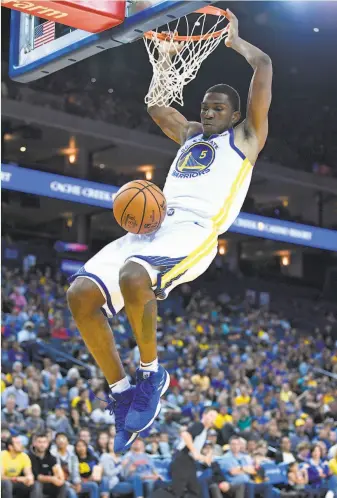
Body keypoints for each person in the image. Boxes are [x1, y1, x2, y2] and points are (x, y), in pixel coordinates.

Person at [67, 8, 272, 453]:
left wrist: (236, 43)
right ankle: (122, 394)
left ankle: (151, 372)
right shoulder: (192, 136)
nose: (210, 112)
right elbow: (159, 107)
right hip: (156, 223)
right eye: (206, 107)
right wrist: (163, 55)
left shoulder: (247, 138)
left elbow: (265, 67)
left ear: (237, 113)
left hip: (197, 233)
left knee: (135, 276)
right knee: (80, 293)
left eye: (219, 108)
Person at [171, 408, 218, 497]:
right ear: (204, 415)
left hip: (189, 461)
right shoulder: (200, 425)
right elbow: (185, 434)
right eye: (211, 415)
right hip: (181, 460)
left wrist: (205, 458)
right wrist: (194, 451)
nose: (213, 419)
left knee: (194, 490)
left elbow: (195, 455)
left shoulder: (204, 431)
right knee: (179, 491)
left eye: (215, 417)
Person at [29, 432, 66, 498]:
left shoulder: (51, 457)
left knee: (63, 485)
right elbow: (37, 477)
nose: (42, 445)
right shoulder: (29, 457)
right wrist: (52, 479)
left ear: (48, 444)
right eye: (39, 442)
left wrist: (60, 480)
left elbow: (58, 471)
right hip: (33, 484)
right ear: (34, 443)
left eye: (44, 442)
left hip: (48, 483)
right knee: (37, 485)